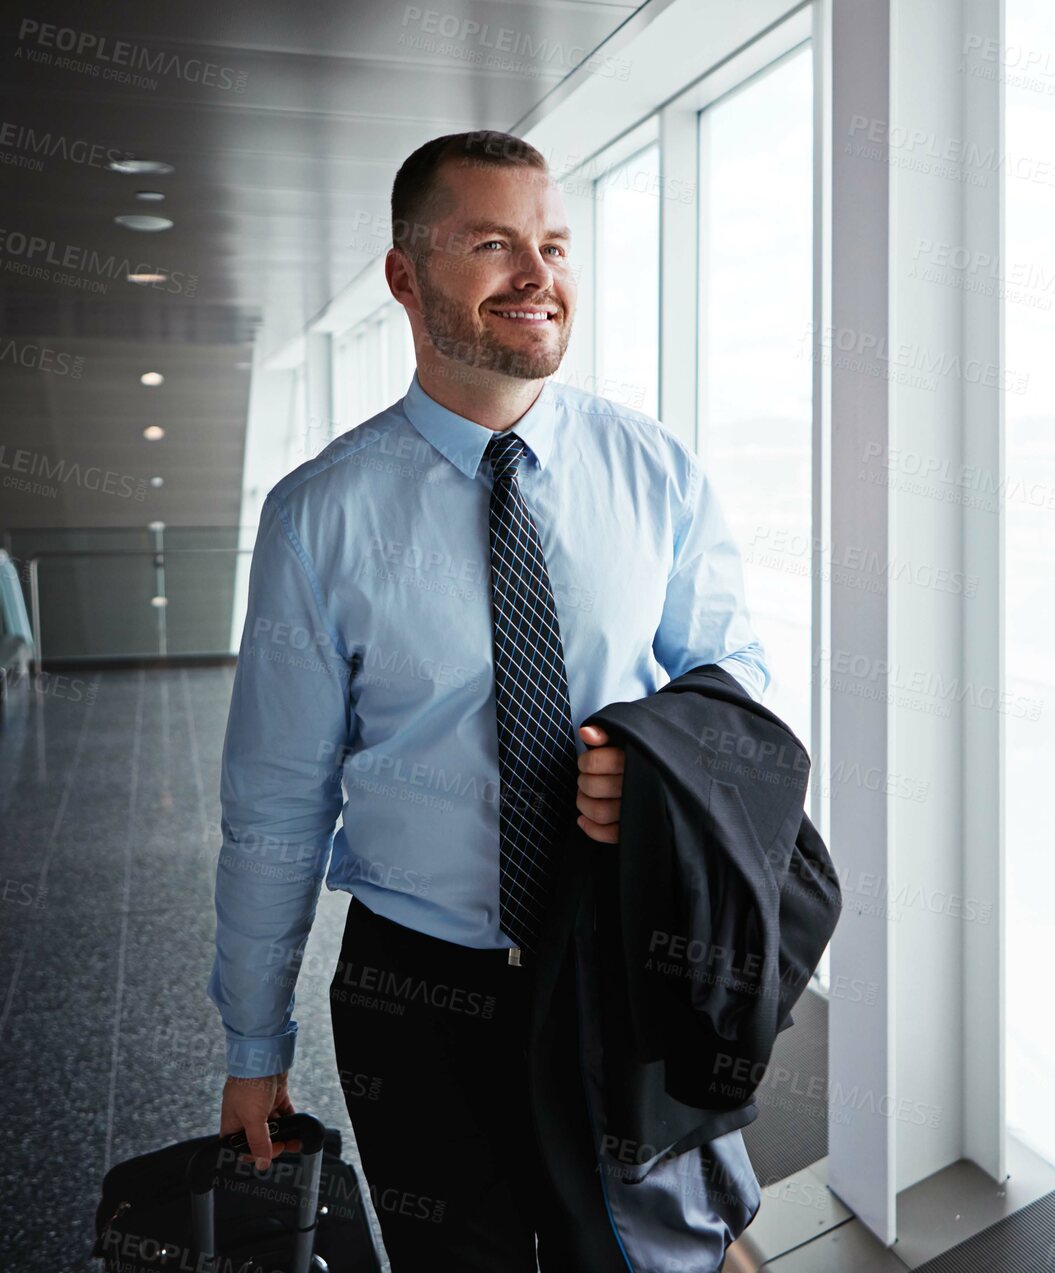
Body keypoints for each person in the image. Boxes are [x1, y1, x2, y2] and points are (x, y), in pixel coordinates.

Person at [207, 129, 770, 1269]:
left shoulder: (653, 471)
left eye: (554, 243)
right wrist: (254, 1039)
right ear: (405, 277)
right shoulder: (321, 516)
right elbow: (276, 803)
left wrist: (654, 755)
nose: (538, 274)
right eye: (492, 243)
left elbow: (740, 687)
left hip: (615, 963)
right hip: (415, 993)